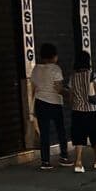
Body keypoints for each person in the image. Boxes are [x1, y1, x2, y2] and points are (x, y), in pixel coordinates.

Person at [31, 42, 72, 170]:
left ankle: (45, 161)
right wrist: (68, 93)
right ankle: (64, 157)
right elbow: (58, 88)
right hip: (54, 103)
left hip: (40, 102)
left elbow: (34, 87)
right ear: (54, 56)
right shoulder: (55, 69)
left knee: (44, 133)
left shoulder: (36, 69)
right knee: (60, 131)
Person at [68, 50, 96, 173]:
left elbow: (71, 97)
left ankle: (78, 163)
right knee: (95, 135)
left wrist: (74, 105)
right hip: (93, 110)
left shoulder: (73, 77)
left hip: (77, 111)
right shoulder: (92, 74)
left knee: (78, 136)